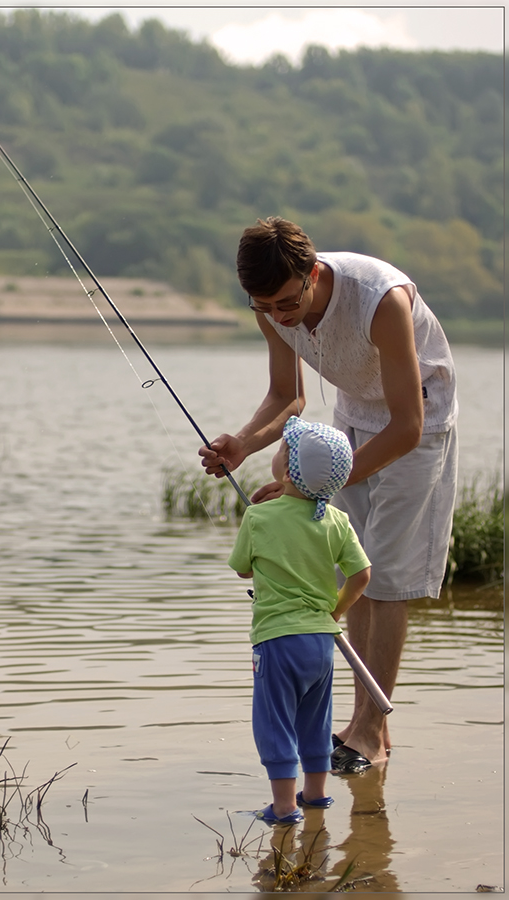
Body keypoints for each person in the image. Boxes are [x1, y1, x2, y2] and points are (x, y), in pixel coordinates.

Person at [201, 217, 458, 772]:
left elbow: (407, 425)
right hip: (353, 416)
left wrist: (316, 482)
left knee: (385, 576)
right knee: (348, 566)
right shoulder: (270, 306)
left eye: (288, 302)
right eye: (265, 307)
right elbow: (287, 395)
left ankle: (369, 728)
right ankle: (368, 723)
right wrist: (242, 444)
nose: (279, 315)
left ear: (313, 273)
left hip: (419, 420)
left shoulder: (379, 300)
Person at [228, 416, 371, 825]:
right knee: (315, 718)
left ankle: (285, 806)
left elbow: (242, 570)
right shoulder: (338, 521)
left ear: (288, 470)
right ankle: (316, 794)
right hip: (321, 643)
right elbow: (362, 575)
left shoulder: (259, 517)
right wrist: (338, 610)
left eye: (281, 449)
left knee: (274, 720)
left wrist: (258, 516)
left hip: (276, 641)